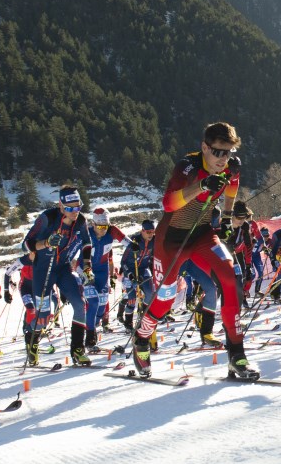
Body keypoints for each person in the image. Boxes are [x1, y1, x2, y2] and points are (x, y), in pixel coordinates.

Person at [130, 122, 258, 380]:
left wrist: (227, 217)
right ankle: (142, 338)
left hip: (201, 234)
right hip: (171, 241)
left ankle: (236, 355)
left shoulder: (231, 166)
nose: (223, 159)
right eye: (218, 152)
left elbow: (232, 185)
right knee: (165, 301)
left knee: (231, 277)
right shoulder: (187, 168)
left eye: (228, 152)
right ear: (204, 147)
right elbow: (168, 204)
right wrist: (201, 186)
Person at [20, 187, 94, 367]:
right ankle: (32, 338)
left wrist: (86, 264)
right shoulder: (47, 218)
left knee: (80, 304)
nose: (75, 212)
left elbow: (86, 243)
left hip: (63, 269)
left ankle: (77, 349)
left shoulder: (81, 221)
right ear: (61, 206)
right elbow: (25, 245)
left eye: (78, 207)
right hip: (43, 270)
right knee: (43, 317)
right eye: (70, 208)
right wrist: (45, 243)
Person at [86, 208, 125, 349]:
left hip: (102, 272)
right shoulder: (86, 233)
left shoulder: (109, 235)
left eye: (106, 226)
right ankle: (89, 337)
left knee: (102, 305)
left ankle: (94, 325)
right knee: (93, 303)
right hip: (86, 271)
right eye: (100, 226)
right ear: (93, 224)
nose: (104, 229)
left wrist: (111, 276)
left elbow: (110, 259)